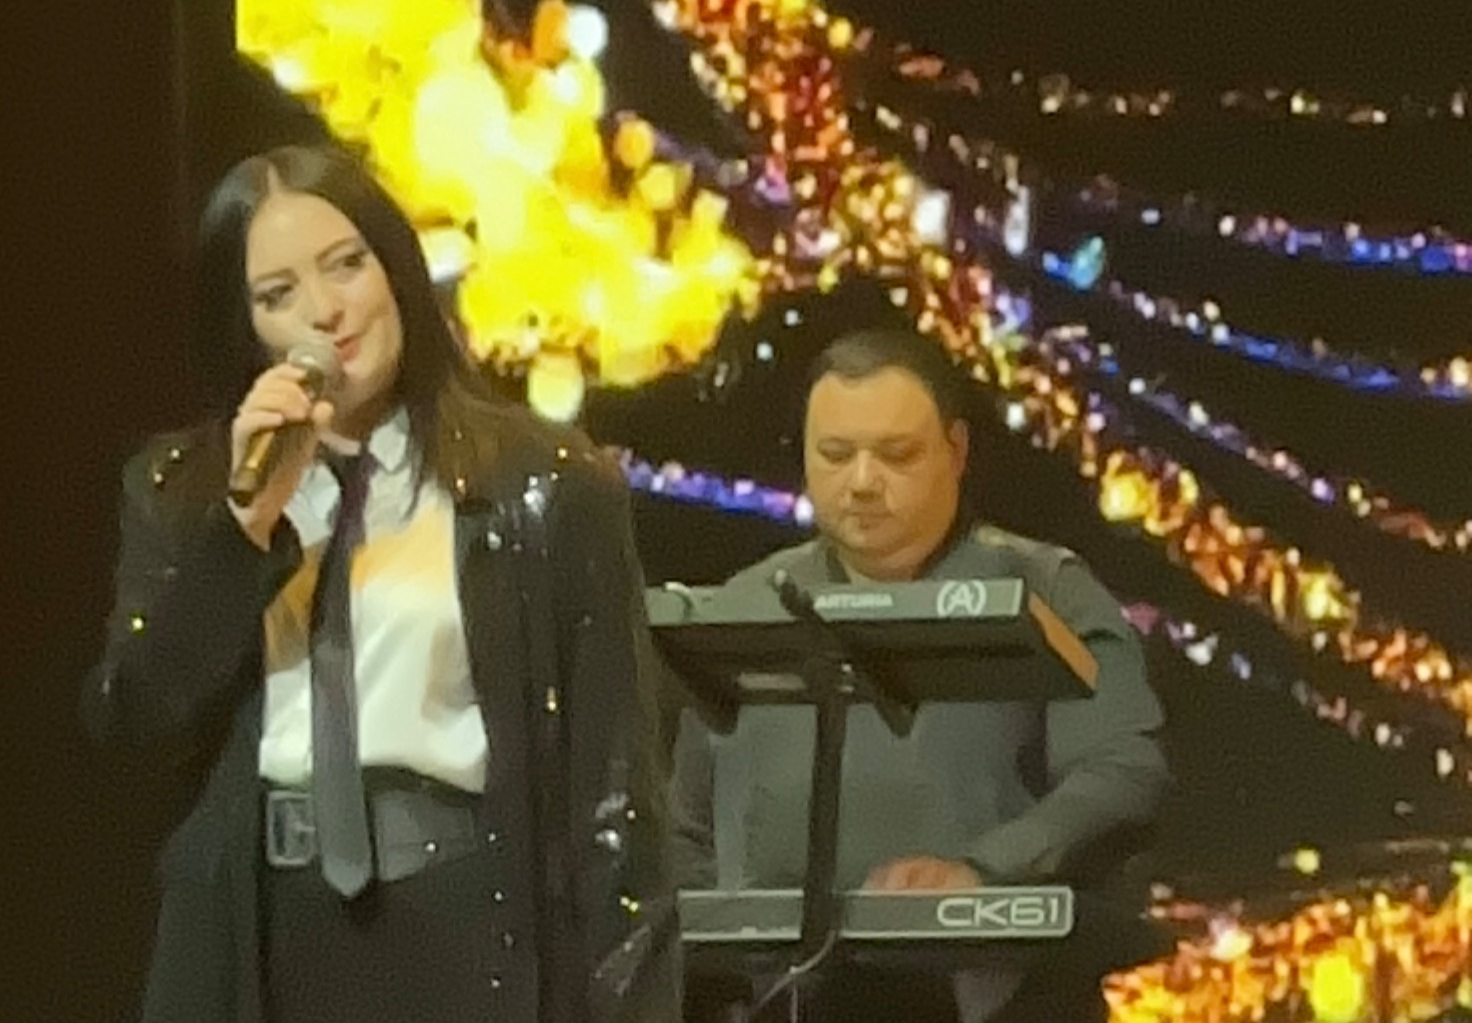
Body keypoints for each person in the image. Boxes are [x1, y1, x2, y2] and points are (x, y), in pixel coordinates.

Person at [83, 144, 679, 1023]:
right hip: (260, 933)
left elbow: (614, 798)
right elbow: (133, 718)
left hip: (463, 919)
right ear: (247, 327)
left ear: (396, 270)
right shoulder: (184, 489)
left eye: (346, 265)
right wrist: (244, 528)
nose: (325, 311)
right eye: (278, 294)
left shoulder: (543, 483)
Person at [670, 322, 1169, 1023]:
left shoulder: (1047, 587)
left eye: (896, 454)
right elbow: (686, 825)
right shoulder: (744, 607)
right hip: (780, 1002)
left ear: (955, 450)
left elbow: (1124, 770)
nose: (862, 482)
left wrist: (983, 873)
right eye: (835, 454)